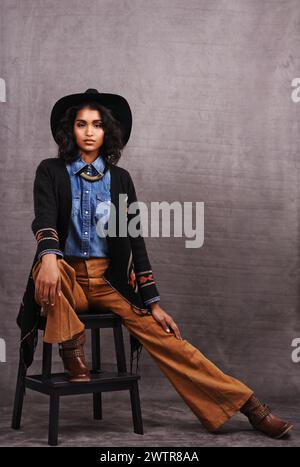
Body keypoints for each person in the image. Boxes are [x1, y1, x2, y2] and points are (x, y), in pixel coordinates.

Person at [17, 88, 293, 439]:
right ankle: (72, 348)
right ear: (69, 130)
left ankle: (249, 405)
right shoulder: (51, 171)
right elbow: (43, 218)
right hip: (64, 275)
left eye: (97, 125)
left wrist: (153, 303)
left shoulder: (120, 180)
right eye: (81, 124)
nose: (88, 131)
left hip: (109, 282)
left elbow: (134, 240)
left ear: (108, 132)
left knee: (169, 341)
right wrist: (50, 256)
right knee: (49, 271)